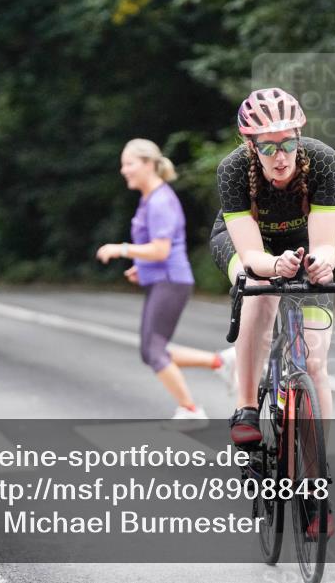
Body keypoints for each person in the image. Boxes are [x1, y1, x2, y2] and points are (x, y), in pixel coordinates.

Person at [211, 88, 335, 537]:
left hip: (301, 247)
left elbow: (327, 242)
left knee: (317, 363)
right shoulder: (233, 169)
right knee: (261, 287)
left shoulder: (322, 161)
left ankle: (315, 484)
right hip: (246, 245)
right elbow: (250, 256)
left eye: (287, 143)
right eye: (268, 147)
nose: (280, 155)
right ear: (251, 146)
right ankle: (247, 408)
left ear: (299, 138)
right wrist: (274, 266)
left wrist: (322, 261)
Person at [97, 139, 235, 430]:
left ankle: (191, 409)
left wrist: (121, 249)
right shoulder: (151, 199)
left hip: (170, 280)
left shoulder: (160, 200)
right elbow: (159, 249)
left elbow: (161, 249)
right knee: (152, 350)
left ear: (148, 164)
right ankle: (220, 363)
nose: (124, 170)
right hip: (163, 279)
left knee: (154, 351)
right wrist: (141, 267)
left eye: (129, 163)